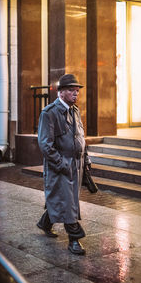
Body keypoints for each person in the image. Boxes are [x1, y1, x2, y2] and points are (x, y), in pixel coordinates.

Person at [37, 74, 91, 255]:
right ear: (60, 92)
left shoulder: (75, 110)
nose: (75, 94)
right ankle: (74, 239)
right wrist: (61, 164)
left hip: (77, 164)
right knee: (68, 203)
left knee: (67, 199)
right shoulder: (49, 113)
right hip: (60, 165)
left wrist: (86, 160)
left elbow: (80, 137)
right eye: (71, 90)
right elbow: (45, 144)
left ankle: (45, 222)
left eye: (77, 90)